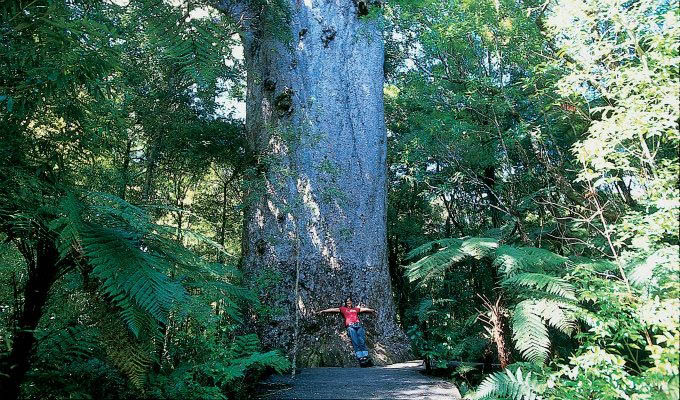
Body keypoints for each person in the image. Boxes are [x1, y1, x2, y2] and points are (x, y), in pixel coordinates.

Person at [318, 296, 375, 365]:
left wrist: (372, 310)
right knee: (355, 341)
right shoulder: (343, 309)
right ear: (346, 303)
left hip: (358, 325)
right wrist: (323, 311)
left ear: (351, 303)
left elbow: (364, 309)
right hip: (350, 326)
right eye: (347, 302)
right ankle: (361, 358)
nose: (349, 304)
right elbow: (333, 309)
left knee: (362, 341)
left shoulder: (355, 309)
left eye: (350, 302)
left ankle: (366, 357)